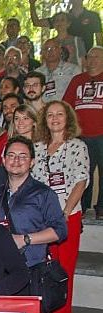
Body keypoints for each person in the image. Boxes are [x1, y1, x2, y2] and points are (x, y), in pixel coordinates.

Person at [0, 136, 68, 313]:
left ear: (32, 162)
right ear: (3, 159)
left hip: (30, 271)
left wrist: (25, 239)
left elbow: (61, 230)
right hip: (2, 272)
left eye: (23, 156)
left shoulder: (43, 193)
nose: (16, 160)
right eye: (11, 155)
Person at [32, 101, 89, 313]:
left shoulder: (77, 146)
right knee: (38, 267)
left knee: (63, 268)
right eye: (50, 115)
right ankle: (39, 311)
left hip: (67, 216)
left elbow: (81, 181)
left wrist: (64, 212)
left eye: (60, 115)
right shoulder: (37, 148)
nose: (55, 118)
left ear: (68, 118)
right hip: (40, 218)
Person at [64, 46, 103, 219]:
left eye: (97, 56)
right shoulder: (77, 80)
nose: (93, 59)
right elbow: (66, 106)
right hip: (81, 136)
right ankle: (83, 206)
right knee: (83, 173)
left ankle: (101, 209)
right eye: (90, 56)